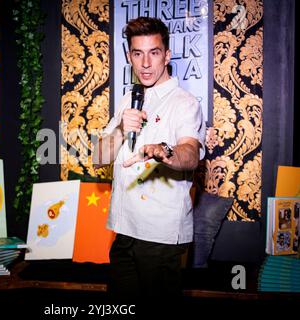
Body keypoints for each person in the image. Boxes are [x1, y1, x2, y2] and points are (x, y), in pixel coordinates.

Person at [93, 17, 206, 300]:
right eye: (137, 53)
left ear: (167, 55)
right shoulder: (128, 98)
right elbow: (98, 158)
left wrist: (165, 151)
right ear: (129, 55)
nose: (145, 63)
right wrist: (120, 128)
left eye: (154, 53)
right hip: (123, 230)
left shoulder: (184, 103)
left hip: (160, 236)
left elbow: (190, 153)